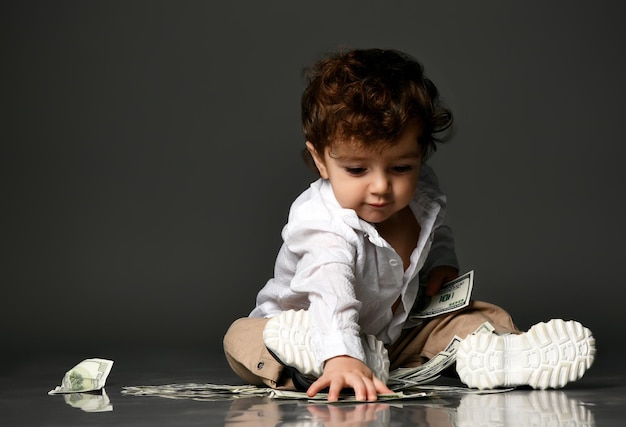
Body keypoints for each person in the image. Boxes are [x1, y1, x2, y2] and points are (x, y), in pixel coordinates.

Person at [223, 48, 595, 402]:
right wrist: (341, 353)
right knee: (242, 339)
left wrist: (443, 266)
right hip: (308, 318)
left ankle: (504, 352)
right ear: (321, 160)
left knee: (476, 315)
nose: (382, 187)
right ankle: (318, 357)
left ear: (420, 156)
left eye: (401, 168)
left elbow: (437, 233)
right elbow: (330, 288)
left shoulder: (422, 194)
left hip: (391, 335)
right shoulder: (321, 221)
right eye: (356, 170)